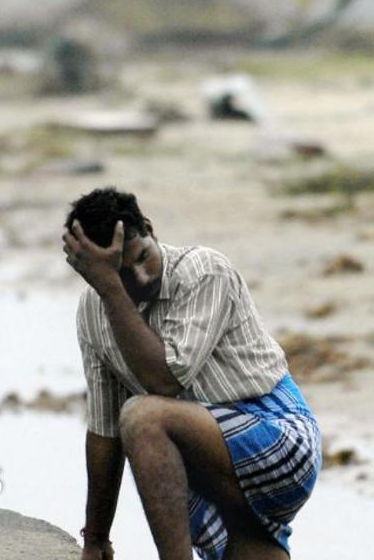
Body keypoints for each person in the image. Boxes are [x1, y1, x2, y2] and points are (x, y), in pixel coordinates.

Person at [63, 188, 322, 560]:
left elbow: (164, 381)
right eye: (121, 275)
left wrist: (112, 290)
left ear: (150, 229)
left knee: (143, 416)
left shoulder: (202, 271)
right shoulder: (93, 313)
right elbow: (105, 433)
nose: (139, 276)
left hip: (276, 437)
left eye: (143, 257)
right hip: (206, 465)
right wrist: (95, 538)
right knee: (134, 423)